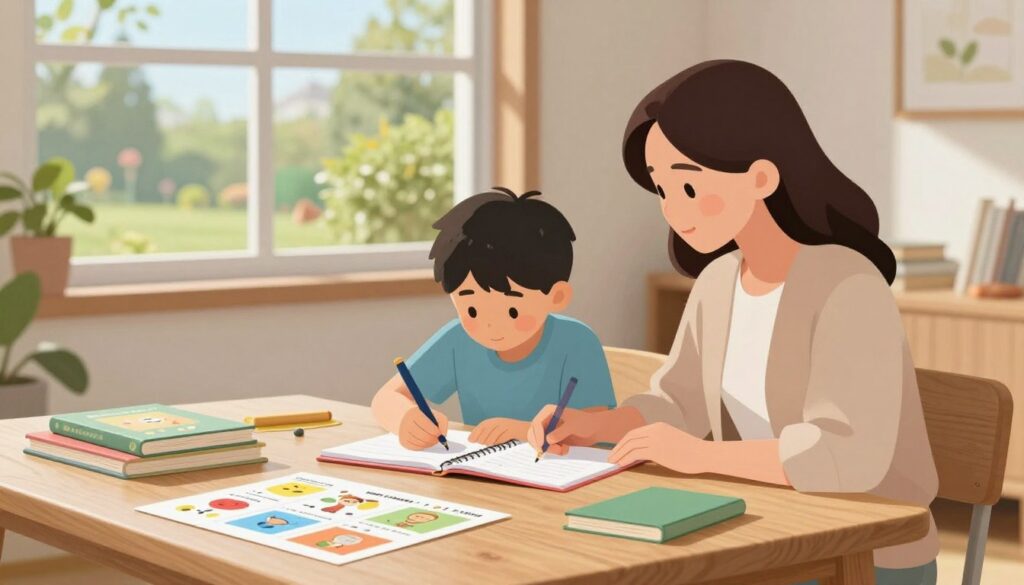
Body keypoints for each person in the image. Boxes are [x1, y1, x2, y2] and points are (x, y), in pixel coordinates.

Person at [527, 60, 938, 585]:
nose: (673, 210)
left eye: (688, 188)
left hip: (865, 553)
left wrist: (702, 456)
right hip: (771, 532)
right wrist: (598, 426)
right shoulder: (718, 281)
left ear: (761, 176)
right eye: (662, 190)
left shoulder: (849, 286)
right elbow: (679, 404)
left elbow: (848, 453)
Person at [372, 187, 616, 449]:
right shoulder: (457, 340)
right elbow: (385, 398)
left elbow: (595, 430)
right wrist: (406, 419)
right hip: (487, 469)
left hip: (562, 469)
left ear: (557, 296)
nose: (490, 324)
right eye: (472, 310)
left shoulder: (576, 342)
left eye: (512, 311)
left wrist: (525, 432)